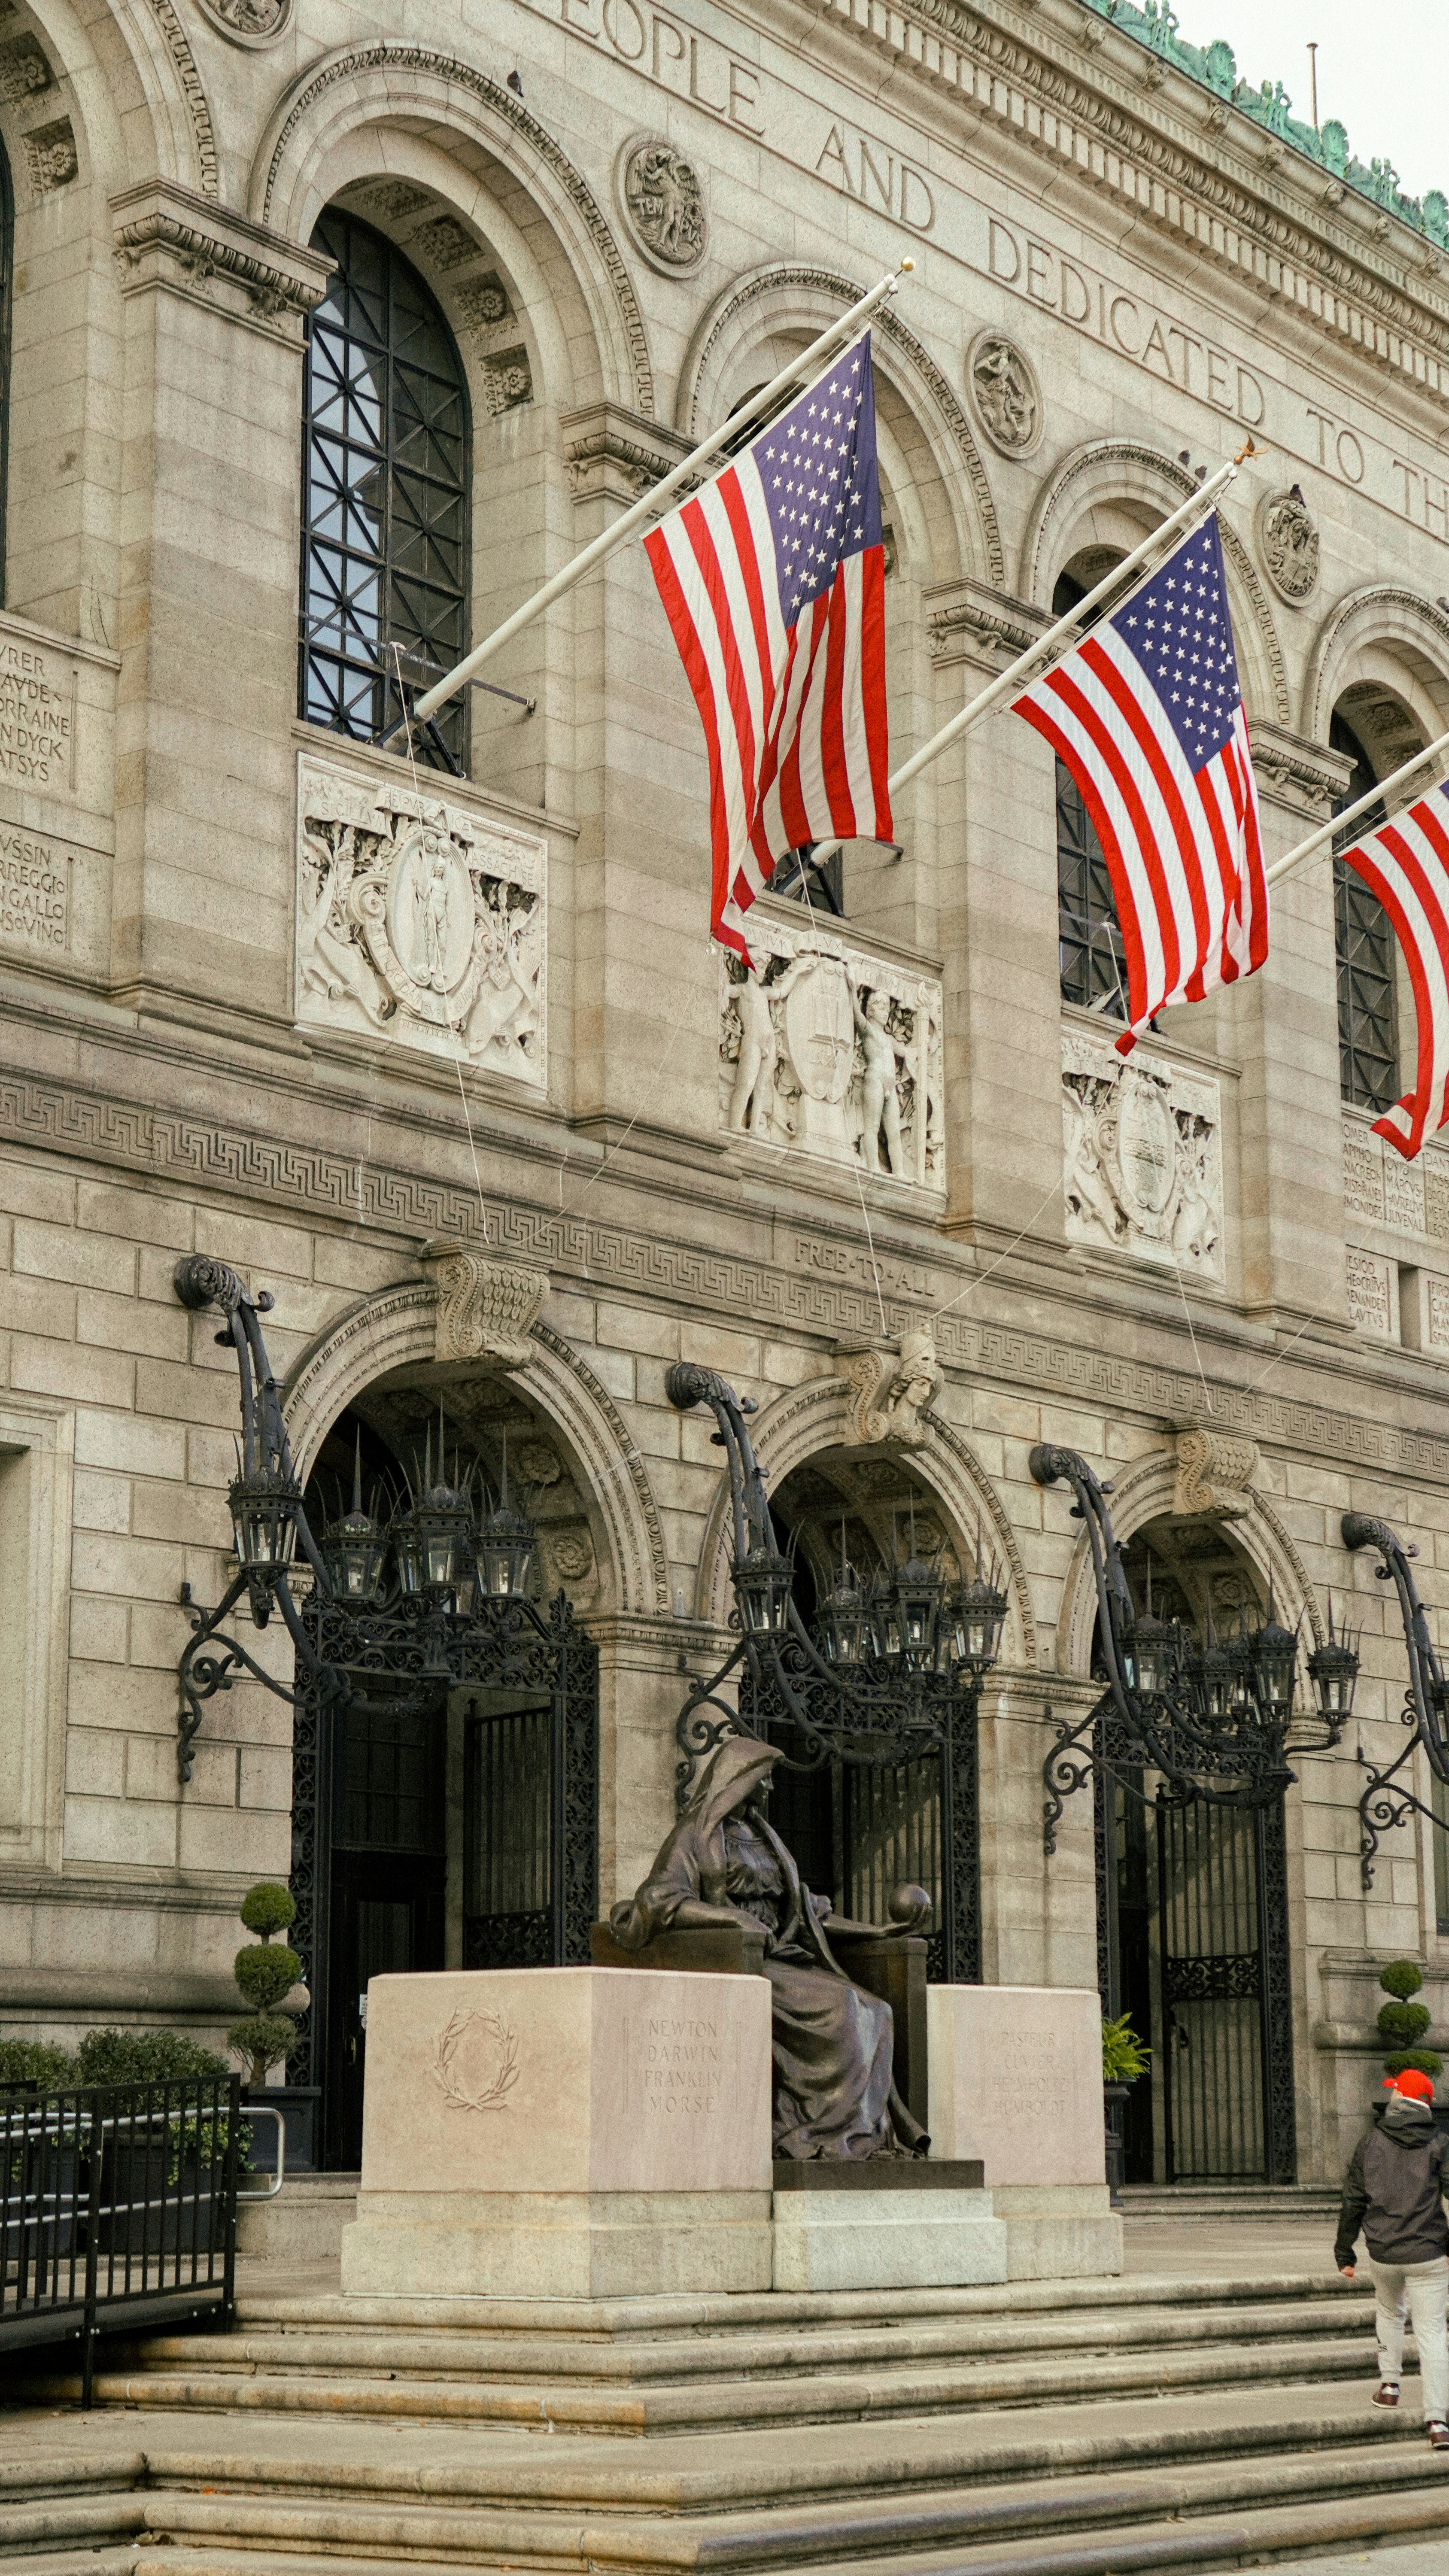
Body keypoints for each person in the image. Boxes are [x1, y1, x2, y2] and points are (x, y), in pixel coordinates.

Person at [609, 1732, 928, 2159]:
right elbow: (660, 1900)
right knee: (844, 2011)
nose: (771, 1788)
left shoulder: (767, 1837)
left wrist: (877, 1932)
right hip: (740, 1960)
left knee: (879, 2010)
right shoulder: (695, 1834)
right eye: (765, 1779)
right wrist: (731, 1916)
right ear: (743, 1778)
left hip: (782, 1957)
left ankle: (858, 2131)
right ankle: (826, 2130)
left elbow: (813, 1914)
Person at [1335, 2066, 1449, 2447]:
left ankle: (1389, 2387)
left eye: (1393, 2091)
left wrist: (1344, 2251)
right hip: (1428, 2252)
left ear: (1400, 2097)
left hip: (1383, 2251)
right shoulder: (1439, 2142)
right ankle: (1437, 2423)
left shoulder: (1370, 2142)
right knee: (1432, 2334)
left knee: (1388, 2311)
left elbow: (1353, 2199)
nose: (1390, 2096)